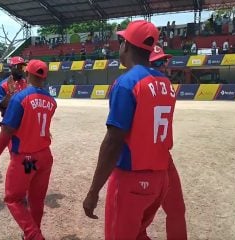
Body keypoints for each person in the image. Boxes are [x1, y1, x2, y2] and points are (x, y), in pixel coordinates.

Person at [82, 20, 177, 239]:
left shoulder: (126, 83)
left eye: (121, 41)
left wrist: (93, 191)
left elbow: (113, 142)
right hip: (159, 181)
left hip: (131, 182)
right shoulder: (165, 82)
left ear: (126, 45)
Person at [0, 59, 57, 240]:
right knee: (37, 200)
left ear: (28, 74)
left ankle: (34, 235)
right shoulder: (51, 100)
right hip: (45, 156)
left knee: (13, 199)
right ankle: (34, 233)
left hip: (26, 158)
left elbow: (8, 129)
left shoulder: (20, 97)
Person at [149, 46, 187, 240]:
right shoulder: (165, 87)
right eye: (158, 63)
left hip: (162, 157)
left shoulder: (159, 86)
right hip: (147, 160)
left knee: (177, 209)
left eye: (164, 62)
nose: (163, 66)